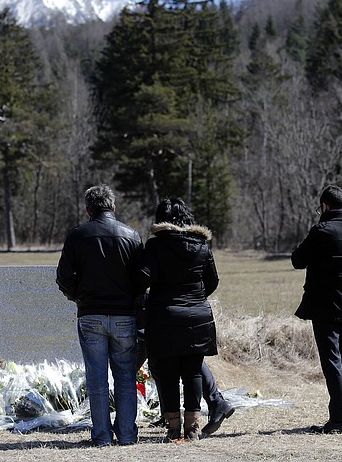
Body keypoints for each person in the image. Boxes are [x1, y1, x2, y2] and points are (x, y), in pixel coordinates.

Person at [56, 184, 143, 446]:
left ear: (88, 210)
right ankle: (127, 434)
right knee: (126, 378)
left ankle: (102, 435)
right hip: (124, 315)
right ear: (113, 207)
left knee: (97, 379)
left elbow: (63, 277)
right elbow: (141, 278)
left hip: (91, 313)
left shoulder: (77, 235)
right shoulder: (132, 235)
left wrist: (77, 297)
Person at [137, 197, 220, 441]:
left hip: (164, 316)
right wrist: (195, 298)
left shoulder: (156, 246)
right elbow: (213, 281)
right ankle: (192, 429)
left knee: (168, 372)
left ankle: (174, 429)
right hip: (198, 315)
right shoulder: (203, 246)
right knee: (193, 372)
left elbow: (145, 278)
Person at [291, 185, 342, 434]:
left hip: (324, 306)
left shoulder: (321, 231)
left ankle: (338, 420)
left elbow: (297, 260)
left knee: (332, 363)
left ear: (325, 206)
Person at [135, 294, 235, 437]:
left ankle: (214, 402)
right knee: (164, 358)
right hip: (174, 304)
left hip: (161, 303)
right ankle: (172, 414)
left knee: (182, 355)